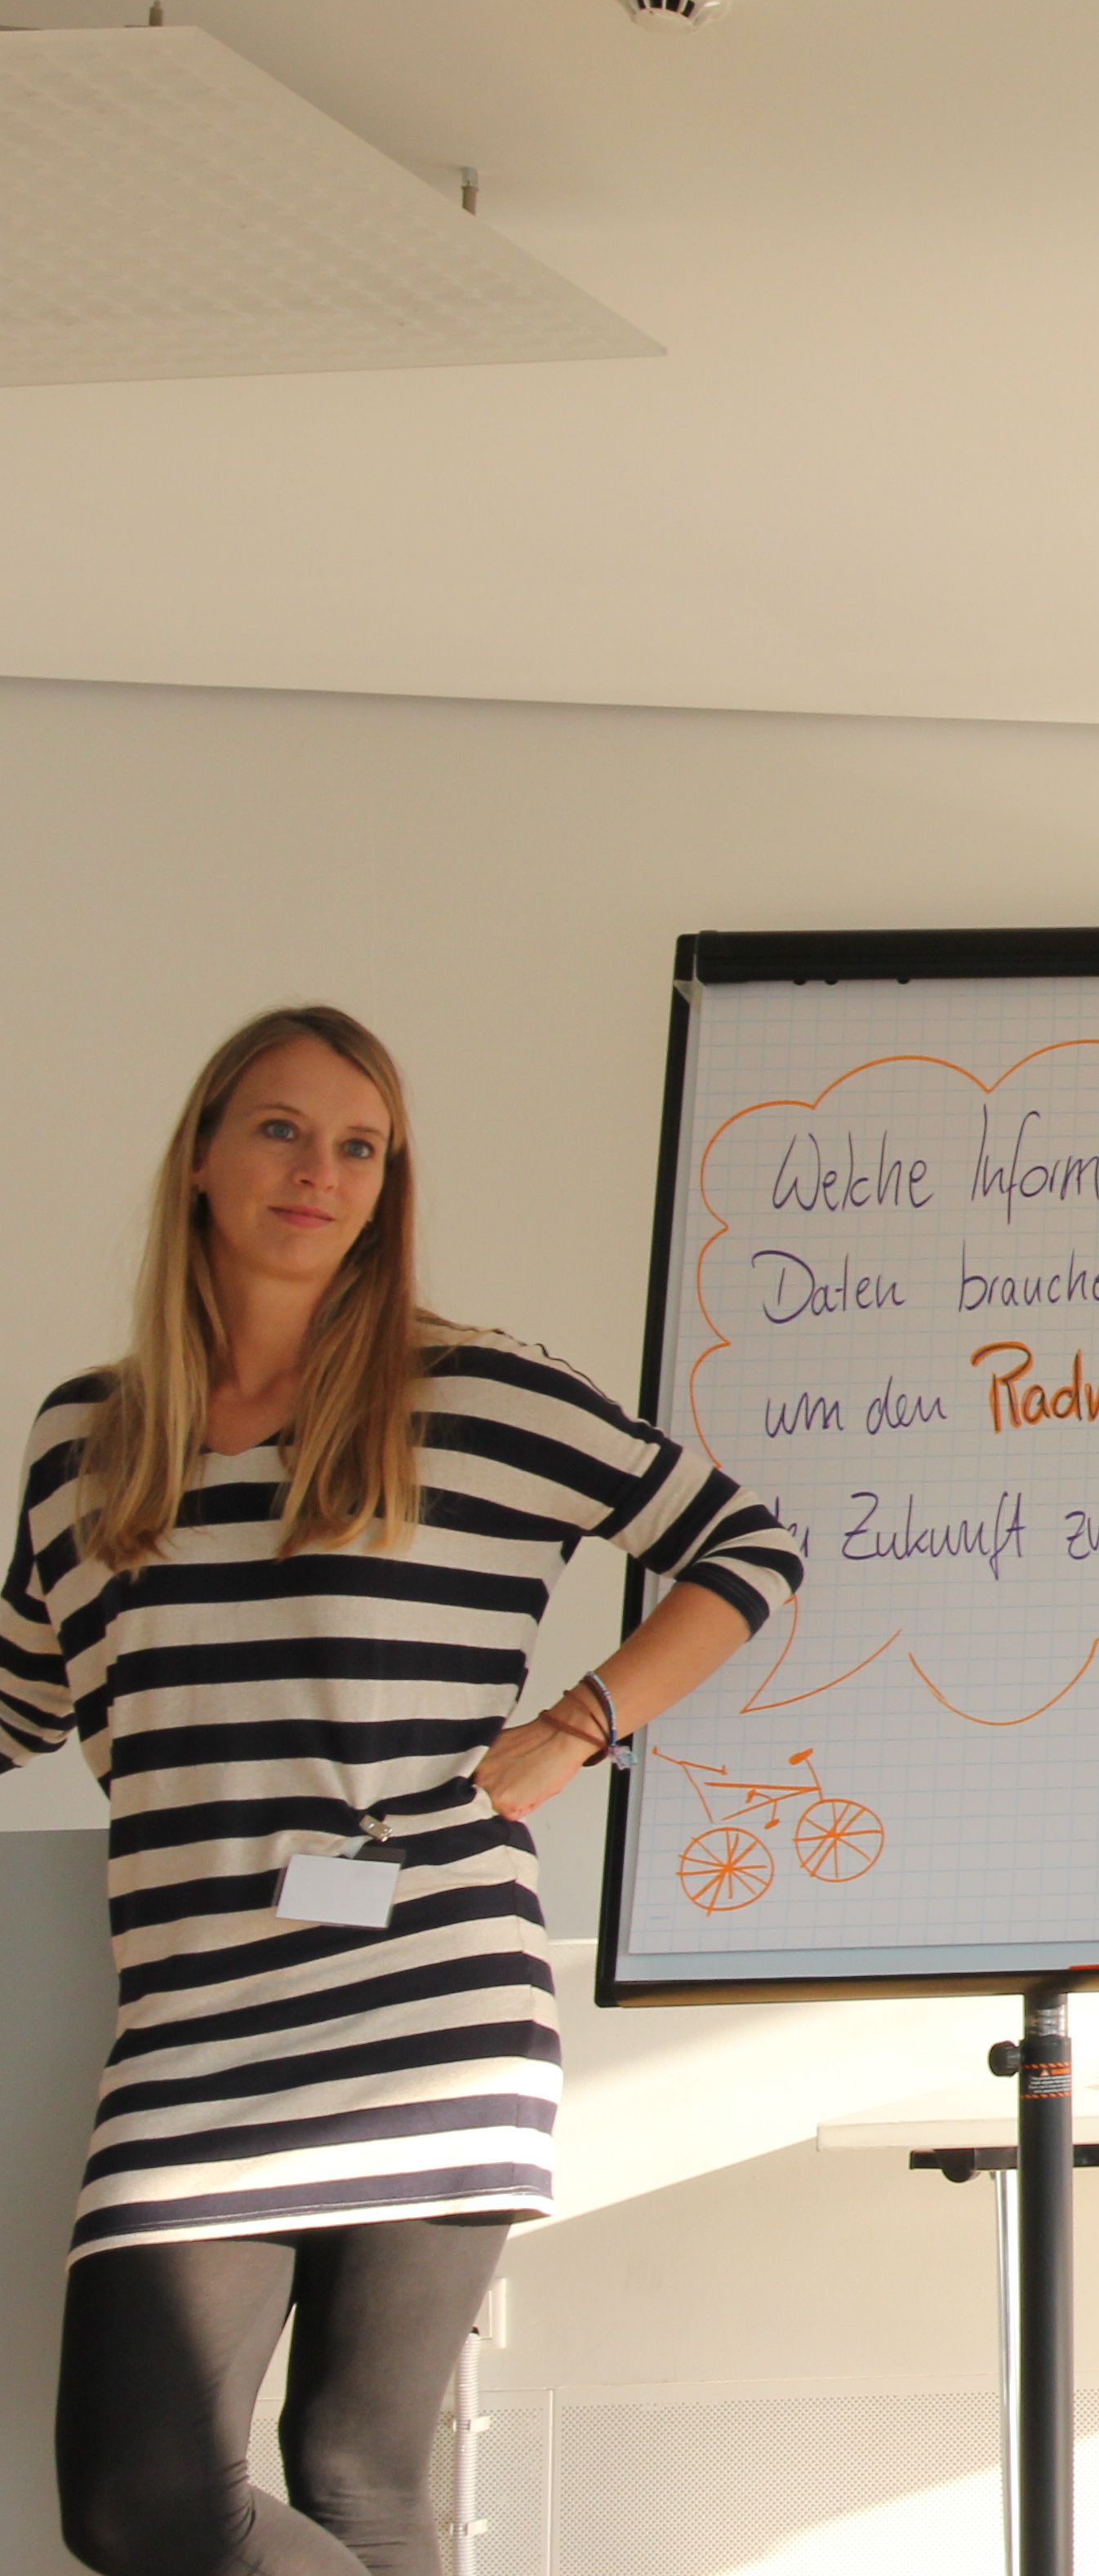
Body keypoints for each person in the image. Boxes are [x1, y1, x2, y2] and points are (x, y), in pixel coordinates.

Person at [2, 1007, 805, 2576]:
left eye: (359, 1146)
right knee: (137, 2500)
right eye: (282, 1130)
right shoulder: (87, 1440)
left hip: (426, 1995)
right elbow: (27, 1688)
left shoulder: (477, 1397)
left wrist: (579, 1723)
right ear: (201, 1158)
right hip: (191, 2022)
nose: (321, 1170)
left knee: (359, 2475)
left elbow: (745, 1549)